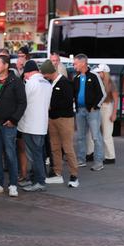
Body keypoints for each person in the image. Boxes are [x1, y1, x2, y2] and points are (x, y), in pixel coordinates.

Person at [0, 55, 27, 197]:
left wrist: (14, 120)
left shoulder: (16, 82)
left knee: (10, 154)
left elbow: (22, 103)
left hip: (8, 124)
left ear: (6, 65)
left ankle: (13, 184)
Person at [41, 60, 79, 188]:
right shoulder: (50, 83)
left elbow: (68, 102)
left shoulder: (66, 83)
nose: (43, 76)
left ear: (49, 72)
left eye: (44, 74)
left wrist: (51, 106)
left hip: (65, 120)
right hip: (52, 120)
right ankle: (57, 173)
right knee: (55, 147)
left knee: (68, 148)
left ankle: (74, 176)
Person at [17, 60, 52, 192]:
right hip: (41, 125)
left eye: (25, 73)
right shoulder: (46, 83)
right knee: (38, 154)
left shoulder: (31, 83)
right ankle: (34, 180)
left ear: (29, 72)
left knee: (34, 155)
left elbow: (22, 101)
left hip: (30, 125)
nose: (24, 76)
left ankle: (39, 181)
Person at [73, 54, 106, 171]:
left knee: (96, 137)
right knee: (80, 137)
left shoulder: (94, 76)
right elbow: (74, 94)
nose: (74, 65)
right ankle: (81, 160)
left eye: (75, 63)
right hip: (79, 111)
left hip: (92, 112)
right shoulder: (76, 78)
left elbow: (102, 94)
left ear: (83, 63)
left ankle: (98, 162)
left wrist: (95, 106)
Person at [88, 64, 118, 164]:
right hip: (98, 107)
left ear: (104, 73)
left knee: (107, 134)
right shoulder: (97, 81)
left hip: (107, 107)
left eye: (99, 72)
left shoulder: (110, 83)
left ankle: (110, 156)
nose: (98, 73)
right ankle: (91, 153)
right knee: (92, 132)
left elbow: (116, 99)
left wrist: (114, 113)